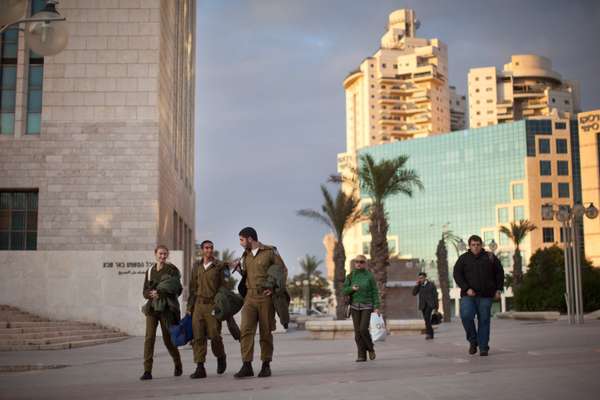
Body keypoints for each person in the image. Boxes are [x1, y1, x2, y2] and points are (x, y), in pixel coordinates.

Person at [230, 227, 287, 378]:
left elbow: (282, 270)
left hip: (265, 298)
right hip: (249, 297)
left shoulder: (270, 251)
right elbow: (249, 274)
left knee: (265, 331)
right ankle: (246, 365)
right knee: (246, 330)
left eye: (242, 240)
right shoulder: (245, 255)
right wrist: (239, 270)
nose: (241, 243)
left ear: (250, 239)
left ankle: (265, 365)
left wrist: (274, 288)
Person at [453, 235, 504, 356]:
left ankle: (483, 347)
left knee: (484, 320)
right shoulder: (463, 259)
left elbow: (499, 273)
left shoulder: (490, 257)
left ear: (481, 245)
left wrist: (498, 289)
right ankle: (473, 340)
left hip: (486, 295)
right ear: (469, 246)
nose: (475, 247)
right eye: (473, 245)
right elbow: (457, 274)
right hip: (468, 295)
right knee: (466, 316)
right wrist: (466, 288)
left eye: (478, 245)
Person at [140, 245, 183, 380]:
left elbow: (178, 289)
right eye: (160, 254)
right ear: (155, 254)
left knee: (168, 340)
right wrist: (150, 294)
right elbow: (144, 291)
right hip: (152, 309)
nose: (162, 256)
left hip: (166, 310)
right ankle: (147, 371)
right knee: (149, 339)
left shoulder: (172, 270)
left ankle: (177, 363)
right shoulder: (149, 271)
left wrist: (162, 292)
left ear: (167, 255)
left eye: (165, 254)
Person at [186, 240, 228, 379]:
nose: (209, 250)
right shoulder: (196, 266)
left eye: (211, 248)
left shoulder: (219, 266)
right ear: (202, 250)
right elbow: (192, 288)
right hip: (198, 305)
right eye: (206, 248)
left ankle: (220, 356)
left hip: (212, 305)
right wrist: (189, 308)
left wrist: (220, 305)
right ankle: (200, 367)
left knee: (215, 335)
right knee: (198, 337)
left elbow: (223, 288)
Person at [342, 255, 380, 362]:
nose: (359, 263)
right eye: (357, 261)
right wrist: (351, 289)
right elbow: (344, 291)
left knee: (363, 329)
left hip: (367, 306)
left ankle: (370, 348)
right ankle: (361, 355)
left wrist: (376, 306)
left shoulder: (369, 276)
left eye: (361, 262)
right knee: (357, 333)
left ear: (365, 263)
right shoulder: (350, 276)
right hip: (354, 306)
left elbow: (375, 292)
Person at [412, 272, 439, 340]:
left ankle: (428, 334)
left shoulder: (431, 285)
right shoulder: (419, 285)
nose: (420, 279)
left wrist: (436, 307)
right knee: (426, 320)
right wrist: (417, 285)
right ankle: (431, 334)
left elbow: (435, 296)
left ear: (425, 278)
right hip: (423, 305)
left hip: (430, 304)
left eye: (421, 278)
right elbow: (414, 293)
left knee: (427, 318)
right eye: (419, 278)